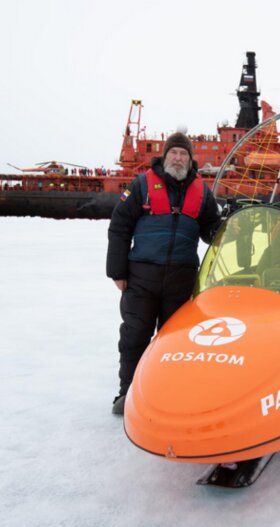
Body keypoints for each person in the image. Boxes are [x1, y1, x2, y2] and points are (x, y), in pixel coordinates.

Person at [107, 132, 221, 415]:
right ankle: (129, 394)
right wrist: (117, 271)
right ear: (165, 155)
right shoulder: (142, 185)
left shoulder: (202, 192)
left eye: (184, 154)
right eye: (175, 153)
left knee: (176, 343)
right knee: (135, 336)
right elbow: (119, 225)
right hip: (141, 277)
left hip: (181, 280)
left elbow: (211, 230)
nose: (179, 158)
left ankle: (170, 395)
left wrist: (226, 228)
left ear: (191, 160)